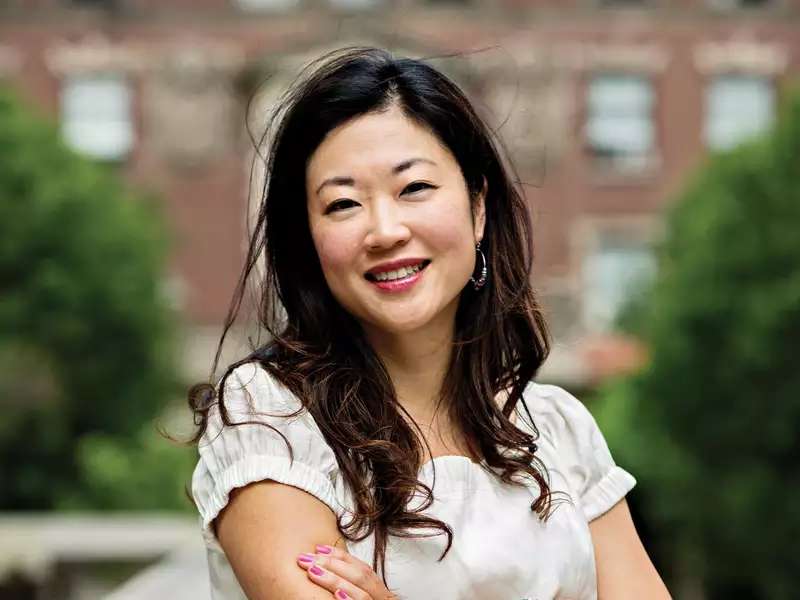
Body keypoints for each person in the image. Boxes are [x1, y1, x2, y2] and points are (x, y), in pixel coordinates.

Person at [188, 46, 671, 600]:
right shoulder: (271, 416)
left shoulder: (558, 430)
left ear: (478, 208)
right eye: (343, 203)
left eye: (414, 188)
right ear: (310, 240)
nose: (385, 230)